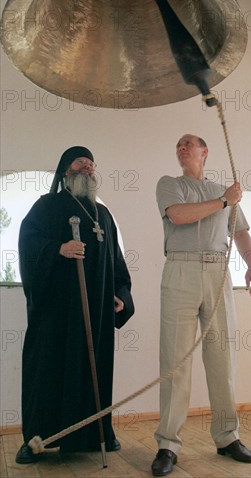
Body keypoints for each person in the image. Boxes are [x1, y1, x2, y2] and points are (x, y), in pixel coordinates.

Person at [151, 134, 251, 476]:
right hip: (180, 269)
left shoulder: (225, 194)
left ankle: (228, 437)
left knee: (223, 357)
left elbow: (240, 231)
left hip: (218, 271)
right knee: (175, 360)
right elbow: (180, 216)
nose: (181, 147)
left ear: (205, 152)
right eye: (178, 145)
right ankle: (168, 445)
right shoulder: (169, 184)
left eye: (188, 143)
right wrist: (224, 201)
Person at [16, 146, 134, 464]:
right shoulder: (46, 206)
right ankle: (37, 439)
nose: (88, 167)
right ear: (65, 170)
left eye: (92, 164)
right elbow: (28, 243)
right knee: (47, 369)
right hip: (56, 315)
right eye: (81, 162)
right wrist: (59, 249)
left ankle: (96, 434)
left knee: (93, 369)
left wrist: (120, 293)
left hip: (93, 313)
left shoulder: (103, 215)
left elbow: (115, 261)